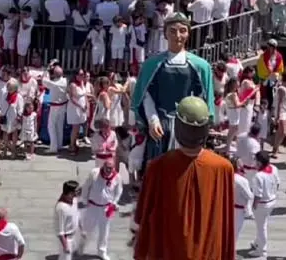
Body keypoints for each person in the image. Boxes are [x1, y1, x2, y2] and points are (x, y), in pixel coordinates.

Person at [133, 96, 235, 260]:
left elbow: (142, 218)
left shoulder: (158, 167)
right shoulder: (224, 169)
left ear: (178, 128)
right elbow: (226, 224)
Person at [130, 13, 213, 172]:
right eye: (173, 31)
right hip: (161, 123)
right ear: (165, 34)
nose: (178, 35)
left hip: (188, 125)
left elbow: (205, 100)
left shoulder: (201, 66)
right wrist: (152, 119)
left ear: (188, 33)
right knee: (158, 170)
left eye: (183, 30)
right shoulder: (152, 64)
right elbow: (145, 94)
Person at [79, 158, 122, 260]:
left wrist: (115, 202)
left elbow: (118, 191)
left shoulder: (117, 177)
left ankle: (102, 251)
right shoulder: (95, 173)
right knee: (87, 228)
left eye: (111, 168)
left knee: (104, 231)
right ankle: (81, 246)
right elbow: (86, 187)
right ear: (103, 166)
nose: (108, 170)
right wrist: (84, 200)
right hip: (92, 206)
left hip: (106, 208)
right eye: (107, 168)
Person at [249, 151, 279, 258]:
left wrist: (254, 205)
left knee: (261, 227)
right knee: (262, 224)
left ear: (260, 163)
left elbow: (258, 195)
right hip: (272, 200)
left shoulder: (258, 176)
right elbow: (278, 183)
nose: (255, 162)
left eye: (256, 160)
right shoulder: (274, 169)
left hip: (262, 204)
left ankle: (262, 250)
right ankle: (257, 242)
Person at [54, 180, 81, 260]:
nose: (78, 193)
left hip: (73, 236)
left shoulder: (74, 200)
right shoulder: (61, 208)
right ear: (69, 193)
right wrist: (65, 246)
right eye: (76, 192)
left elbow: (76, 215)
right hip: (66, 239)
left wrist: (81, 229)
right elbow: (60, 231)